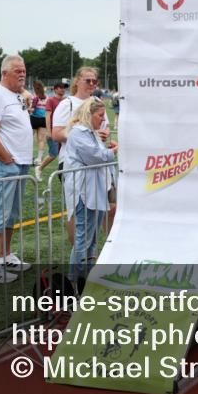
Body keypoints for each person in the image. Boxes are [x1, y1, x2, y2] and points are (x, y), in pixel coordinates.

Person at [0, 55, 33, 283]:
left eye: (24, 70)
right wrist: (7, 160)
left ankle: (5, 255)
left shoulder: (15, 95)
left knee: (11, 214)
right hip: (5, 164)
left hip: (19, 163)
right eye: (17, 71)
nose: (22, 74)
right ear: (4, 73)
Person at [62, 97, 117, 284]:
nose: (103, 119)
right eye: (100, 115)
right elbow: (95, 157)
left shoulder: (90, 132)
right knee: (83, 239)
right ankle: (73, 281)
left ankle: (85, 277)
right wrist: (113, 152)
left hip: (95, 190)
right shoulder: (79, 133)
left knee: (90, 239)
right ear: (89, 114)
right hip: (84, 191)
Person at [53, 68, 111, 243]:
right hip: (74, 164)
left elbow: (105, 127)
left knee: (109, 207)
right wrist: (84, 138)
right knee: (78, 210)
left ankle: (106, 249)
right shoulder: (67, 103)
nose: (92, 84)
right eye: (88, 80)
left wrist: (104, 134)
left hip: (97, 161)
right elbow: (56, 133)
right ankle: (78, 252)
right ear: (77, 81)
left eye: (95, 81)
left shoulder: (98, 101)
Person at [38, 78, 69, 180]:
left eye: (64, 88)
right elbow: (47, 116)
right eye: (60, 88)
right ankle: (40, 168)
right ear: (55, 89)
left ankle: (61, 172)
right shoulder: (51, 100)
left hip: (63, 131)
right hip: (53, 130)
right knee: (53, 154)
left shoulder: (66, 100)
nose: (63, 90)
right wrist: (48, 131)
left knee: (62, 153)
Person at [30, 80, 48, 166]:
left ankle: (29, 157)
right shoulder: (47, 97)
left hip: (34, 119)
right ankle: (39, 159)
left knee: (29, 138)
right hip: (43, 120)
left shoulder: (35, 98)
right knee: (41, 140)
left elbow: (32, 109)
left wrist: (27, 109)